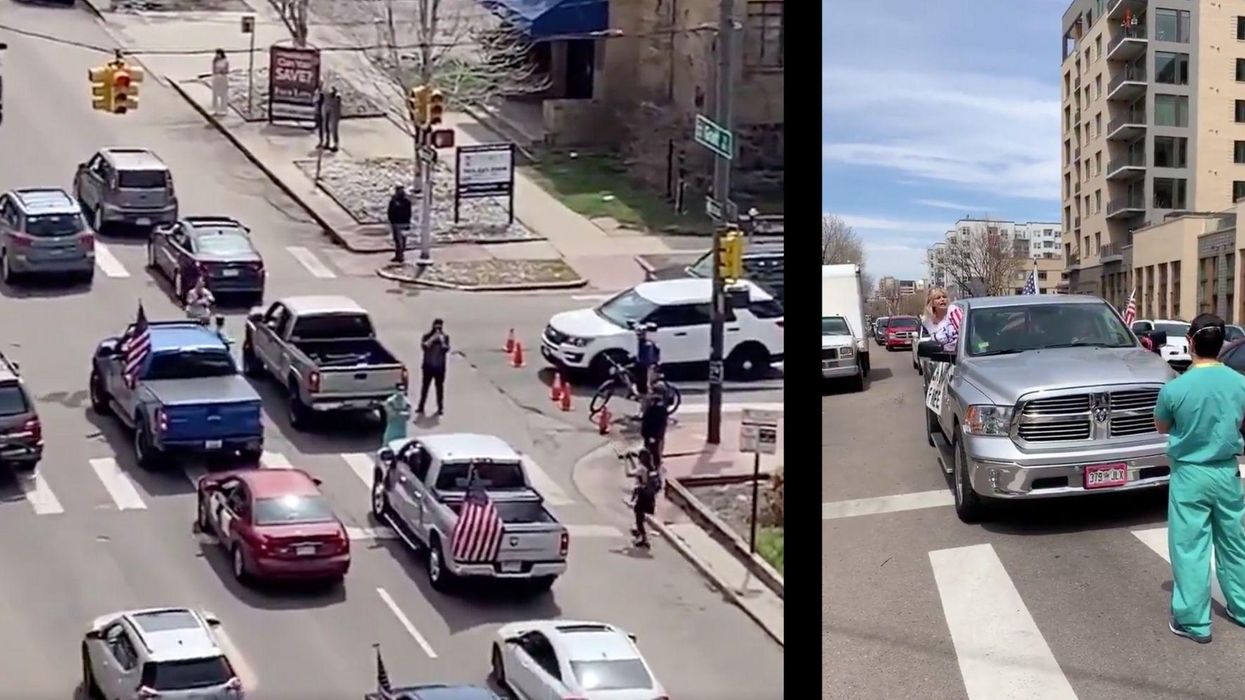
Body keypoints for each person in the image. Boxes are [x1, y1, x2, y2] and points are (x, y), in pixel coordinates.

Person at [1154, 313, 1245, 643]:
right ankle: (1242, 606)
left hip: (1190, 474)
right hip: (1227, 471)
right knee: (1234, 542)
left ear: (1190, 341)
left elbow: (1162, 426)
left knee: (1190, 546)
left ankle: (1194, 621)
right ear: (1221, 344)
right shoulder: (1240, 382)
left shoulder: (1174, 388)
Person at [628, 449, 662, 549]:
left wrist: (625, 461)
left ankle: (644, 537)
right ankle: (641, 533)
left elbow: (629, 473)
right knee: (640, 513)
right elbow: (637, 471)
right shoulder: (652, 468)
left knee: (638, 513)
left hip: (643, 495)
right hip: (650, 496)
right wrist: (630, 459)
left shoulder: (642, 469)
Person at [418, 318, 450, 415]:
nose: (438, 328)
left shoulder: (445, 337)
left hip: (439, 368)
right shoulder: (426, 336)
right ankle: (421, 406)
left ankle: (440, 408)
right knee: (425, 388)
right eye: (436, 326)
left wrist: (442, 341)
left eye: (440, 326)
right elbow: (424, 347)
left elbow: (446, 349)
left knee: (439, 388)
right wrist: (432, 339)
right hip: (428, 367)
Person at [639, 382, 670, 469]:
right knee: (653, 446)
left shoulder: (656, 407)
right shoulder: (659, 407)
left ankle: (655, 464)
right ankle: (654, 463)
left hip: (653, 431)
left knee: (653, 446)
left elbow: (647, 418)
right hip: (653, 431)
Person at [387, 186, 413, 264]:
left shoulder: (395, 201)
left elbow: (390, 211)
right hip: (402, 223)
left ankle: (400, 255)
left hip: (398, 223)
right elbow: (409, 213)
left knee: (399, 241)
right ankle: (399, 255)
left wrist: (391, 220)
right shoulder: (406, 201)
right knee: (401, 240)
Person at [634, 324, 661, 398]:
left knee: (645, 385)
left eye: (640, 334)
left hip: (647, 366)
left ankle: (647, 398)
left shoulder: (647, 344)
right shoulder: (644, 342)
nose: (639, 336)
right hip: (646, 365)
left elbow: (647, 357)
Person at [320, 86, 342, 151]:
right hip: (326, 105)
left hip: (334, 107)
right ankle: (327, 142)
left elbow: (338, 95)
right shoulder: (324, 84)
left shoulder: (336, 83)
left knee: (333, 127)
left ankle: (336, 144)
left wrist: (336, 94)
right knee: (325, 125)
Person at [210, 49, 229, 116]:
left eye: (218, 54)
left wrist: (221, 71)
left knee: (223, 94)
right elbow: (214, 69)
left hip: (223, 77)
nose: (217, 55)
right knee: (215, 93)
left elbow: (226, 70)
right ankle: (215, 109)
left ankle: (223, 109)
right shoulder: (215, 61)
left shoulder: (225, 61)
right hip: (216, 77)